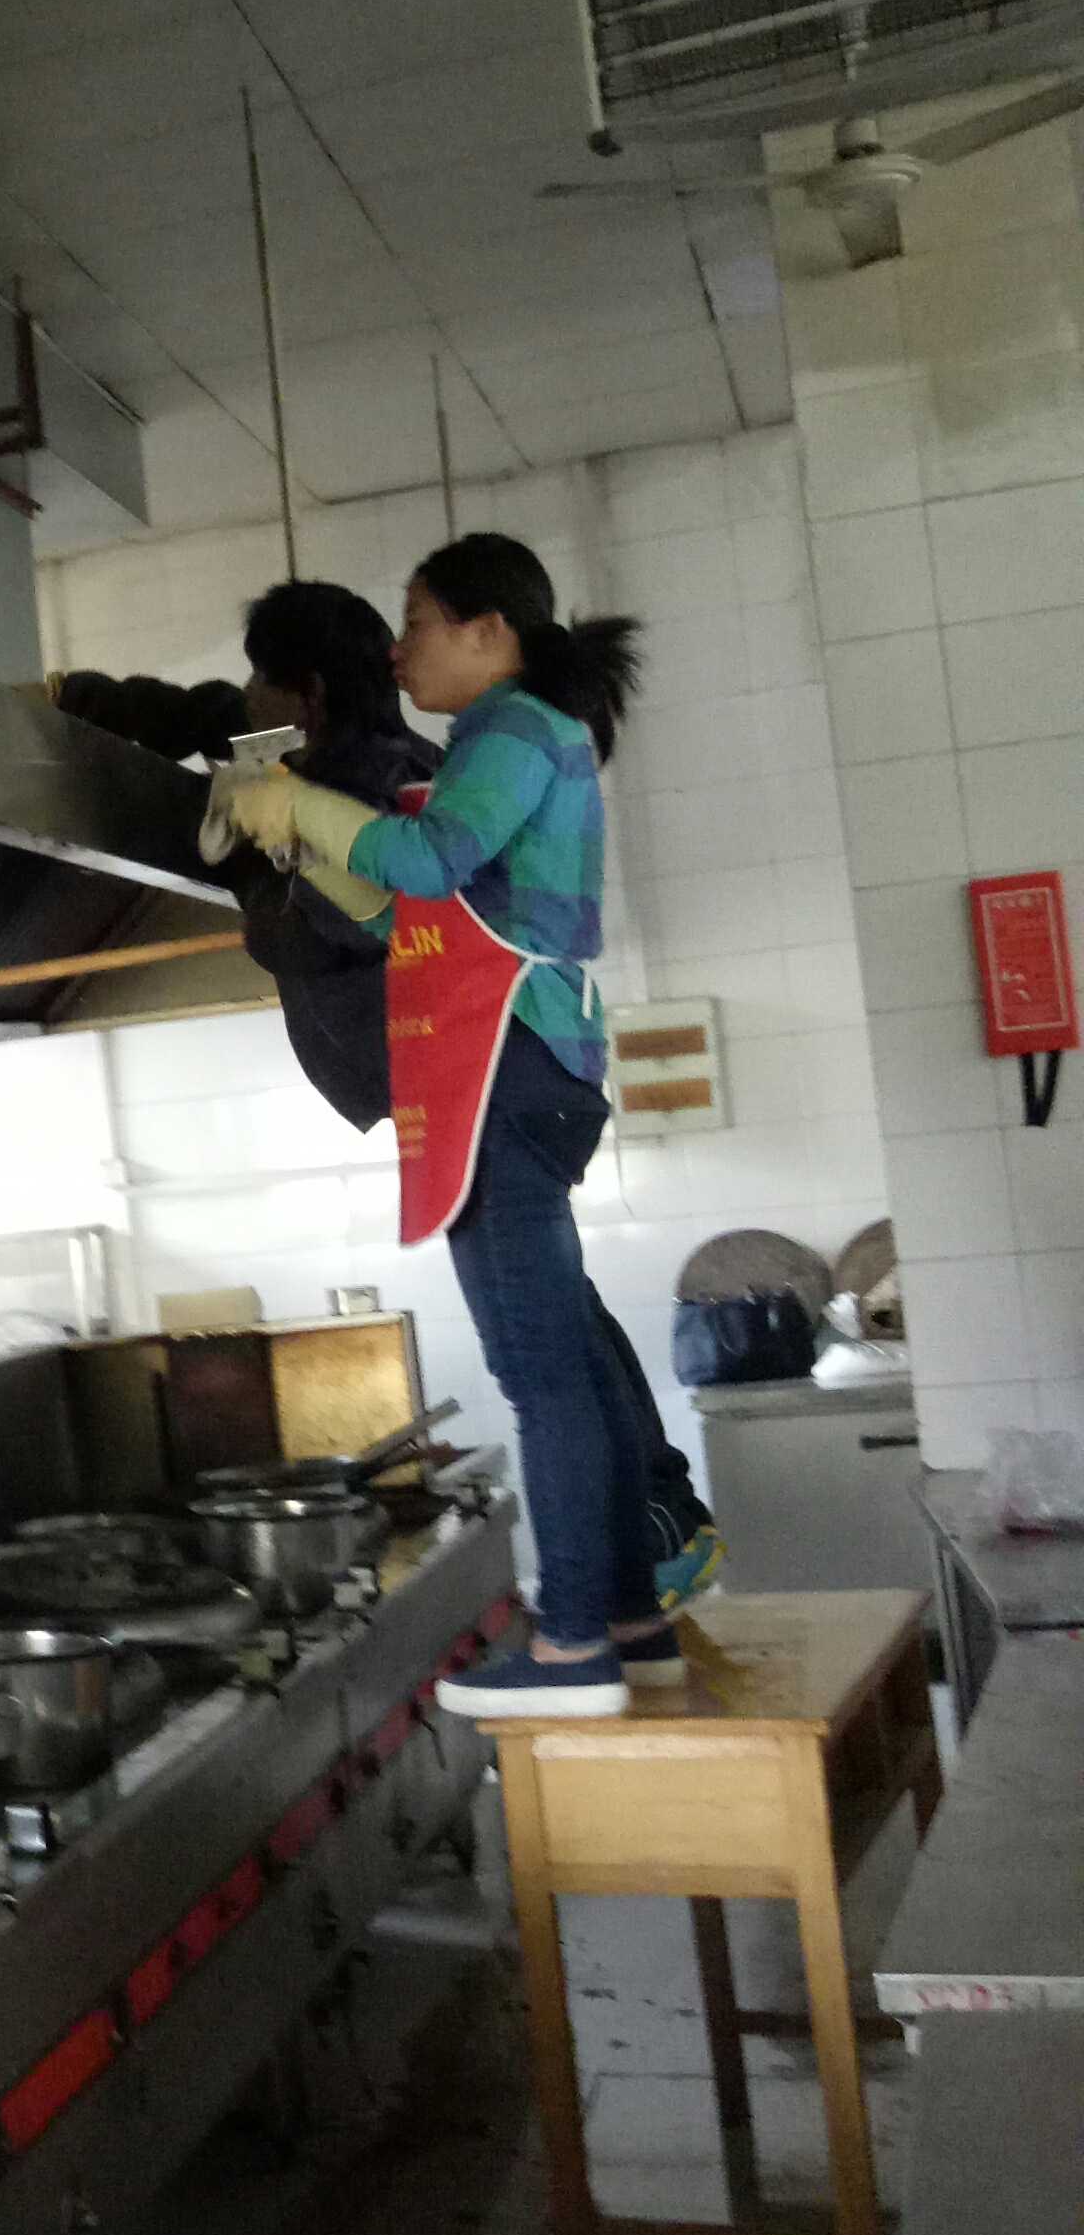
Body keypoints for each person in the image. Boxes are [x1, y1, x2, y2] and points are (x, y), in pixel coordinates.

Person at [225, 534, 662, 1719]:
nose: (399, 647)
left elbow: (431, 859)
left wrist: (303, 798)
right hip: (524, 1066)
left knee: (540, 1372)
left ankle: (574, 1646)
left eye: (416, 620)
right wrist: (311, 847)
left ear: (489, 630)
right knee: (570, 1358)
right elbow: (427, 908)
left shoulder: (515, 727)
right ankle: (628, 1616)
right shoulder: (506, 737)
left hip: (504, 1072)